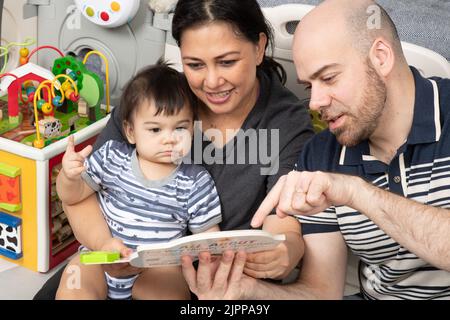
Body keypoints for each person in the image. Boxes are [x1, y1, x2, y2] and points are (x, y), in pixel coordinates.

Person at [33, 0, 314, 299]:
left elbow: (283, 224)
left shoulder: (286, 124)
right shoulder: (153, 100)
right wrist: (104, 246)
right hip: (107, 258)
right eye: (194, 64)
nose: (212, 81)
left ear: (259, 48)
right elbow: (80, 196)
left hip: (206, 284)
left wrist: (286, 250)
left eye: (227, 62)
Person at [180, 0, 450, 300]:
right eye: (309, 86)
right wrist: (247, 290)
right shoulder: (322, 156)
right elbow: (322, 292)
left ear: (381, 57)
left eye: (329, 78)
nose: (314, 103)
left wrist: (356, 192)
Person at [55, 61, 222, 299]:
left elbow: (207, 239)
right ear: (131, 132)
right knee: (75, 277)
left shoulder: (196, 182)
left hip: (157, 268)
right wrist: (69, 177)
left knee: (168, 286)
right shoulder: (112, 156)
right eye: (155, 130)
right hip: (101, 257)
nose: (170, 139)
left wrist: (212, 251)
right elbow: (72, 197)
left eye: (180, 128)